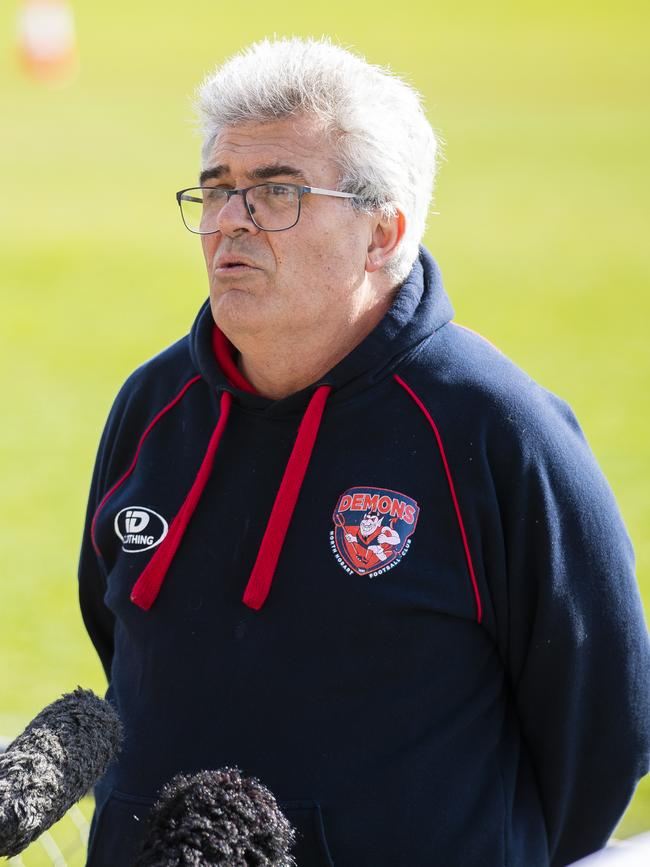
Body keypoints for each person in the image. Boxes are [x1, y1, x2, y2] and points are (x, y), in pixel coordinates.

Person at [78, 37, 650, 867]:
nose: (230, 220)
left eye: (276, 191)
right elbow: (117, 634)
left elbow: (602, 725)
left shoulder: (498, 429)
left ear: (383, 230)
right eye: (217, 190)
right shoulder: (151, 405)